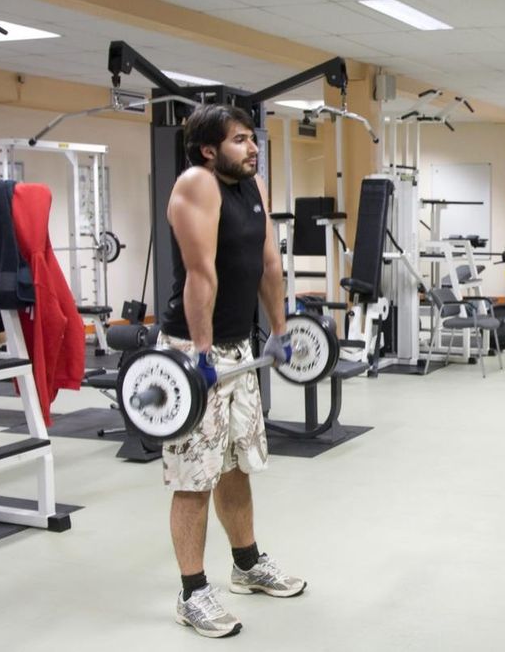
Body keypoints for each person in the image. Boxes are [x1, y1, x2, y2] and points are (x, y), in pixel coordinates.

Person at [160, 103, 306, 638]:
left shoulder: (254, 186)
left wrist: (281, 330)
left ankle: (246, 565)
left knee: (237, 463)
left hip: (239, 347)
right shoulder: (197, 185)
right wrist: (199, 354)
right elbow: (201, 274)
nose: (252, 147)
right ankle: (192, 592)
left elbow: (269, 263)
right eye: (241, 140)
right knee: (195, 475)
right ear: (208, 149)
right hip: (191, 350)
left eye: (252, 138)